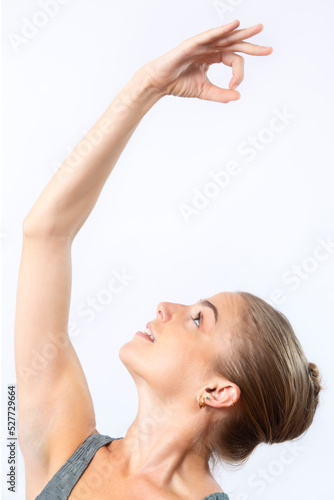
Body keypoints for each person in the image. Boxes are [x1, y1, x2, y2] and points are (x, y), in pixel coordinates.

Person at [14, 19, 322, 500]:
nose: (166, 308)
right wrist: (148, 86)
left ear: (218, 392)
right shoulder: (66, 447)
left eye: (200, 320)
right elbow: (45, 235)